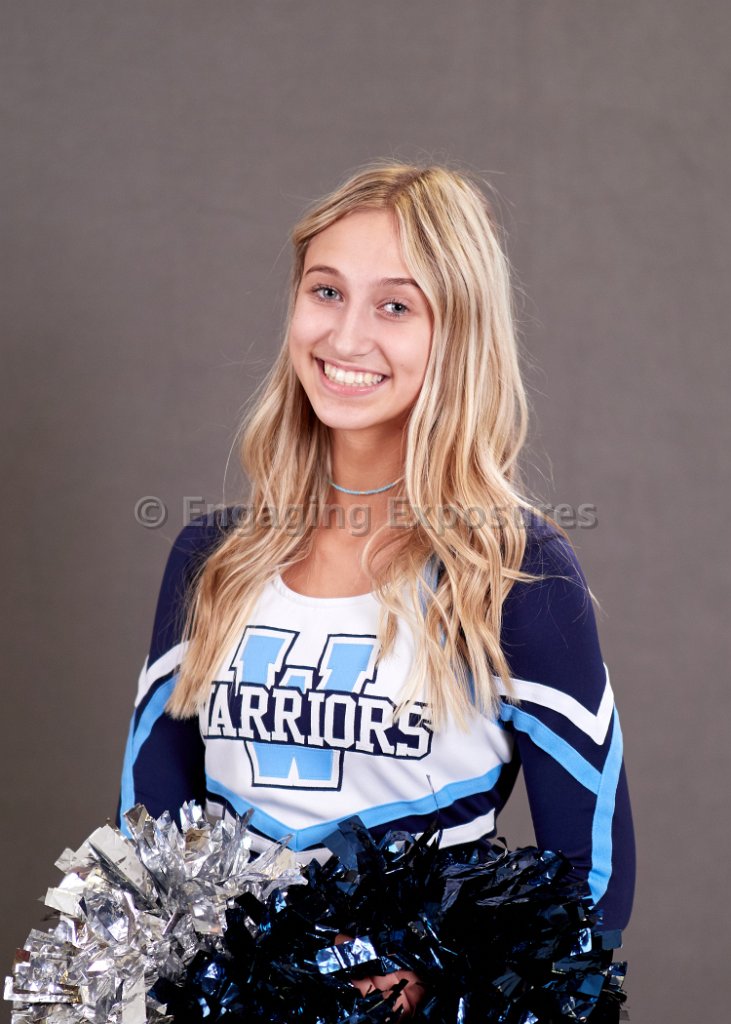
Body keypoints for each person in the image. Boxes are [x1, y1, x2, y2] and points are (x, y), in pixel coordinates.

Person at [118, 162, 635, 1016]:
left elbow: (592, 880)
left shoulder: (515, 573)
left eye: (395, 306)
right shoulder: (212, 557)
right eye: (326, 291)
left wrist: (445, 991)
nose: (346, 336)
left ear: (457, 334)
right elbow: (149, 837)